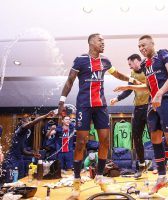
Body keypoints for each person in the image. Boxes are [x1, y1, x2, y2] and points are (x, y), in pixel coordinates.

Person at [57, 33, 141, 198]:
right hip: (84, 106)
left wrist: (132, 80)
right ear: (90, 43)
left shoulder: (105, 61)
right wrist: (62, 101)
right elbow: (70, 80)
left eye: (103, 41)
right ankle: (76, 182)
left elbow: (116, 74)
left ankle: (100, 177)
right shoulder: (80, 60)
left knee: (105, 140)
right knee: (81, 142)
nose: (103, 43)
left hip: (100, 106)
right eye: (99, 40)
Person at [114, 35, 168, 199]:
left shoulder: (163, 54)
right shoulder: (145, 64)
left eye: (144, 45)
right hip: (154, 103)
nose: (141, 48)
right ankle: (162, 177)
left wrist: (159, 93)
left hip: (167, 100)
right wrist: (129, 86)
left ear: (152, 44)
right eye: (139, 46)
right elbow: (149, 85)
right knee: (155, 138)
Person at [110, 53, 151, 179]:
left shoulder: (148, 69)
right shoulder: (133, 74)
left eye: (130, 64)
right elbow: (129, 90)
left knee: (155, 137)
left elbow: (151, 87)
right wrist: (117, 98)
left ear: (137, 61)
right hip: (138, 108)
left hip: (150, 107)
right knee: (136, 137)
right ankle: (142, 165)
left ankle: (161, 166)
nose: (129, 67)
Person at [1, 111, 54, 183]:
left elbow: (22, 150)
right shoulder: (21, 128)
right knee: (11, 181)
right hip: (12, 159)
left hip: (19, 159)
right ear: (22, 122)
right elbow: (32, 123)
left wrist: (32, 154)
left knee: (21, 179)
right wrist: (46, 115)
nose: (29, 122)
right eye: (28, 120)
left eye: (30, 120)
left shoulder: (24, 134)